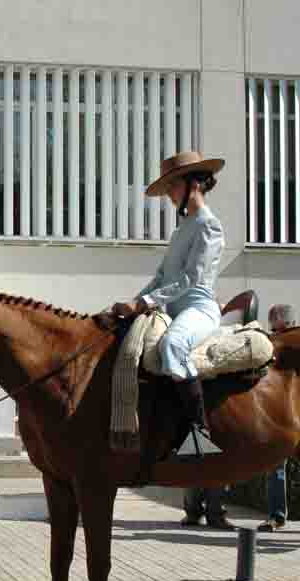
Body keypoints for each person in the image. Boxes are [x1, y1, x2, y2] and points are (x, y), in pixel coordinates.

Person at [110, 151, 231, 529]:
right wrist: (133, 303)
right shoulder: (181, 230)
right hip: (171, 307)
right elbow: (162, 276)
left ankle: (199, 433)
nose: (169, 195)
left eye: (171, 186)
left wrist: (146, 302)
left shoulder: (209, 226)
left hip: (198, 309)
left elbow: (191, 281)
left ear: (193, 183)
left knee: (172, 346)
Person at [258, 304, 300, 532]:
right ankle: (276, 516)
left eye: (282, 330)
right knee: (275, 468)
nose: (278, 336)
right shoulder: (270, 347)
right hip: (280, 417)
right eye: (275, 331)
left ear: (292, 325)